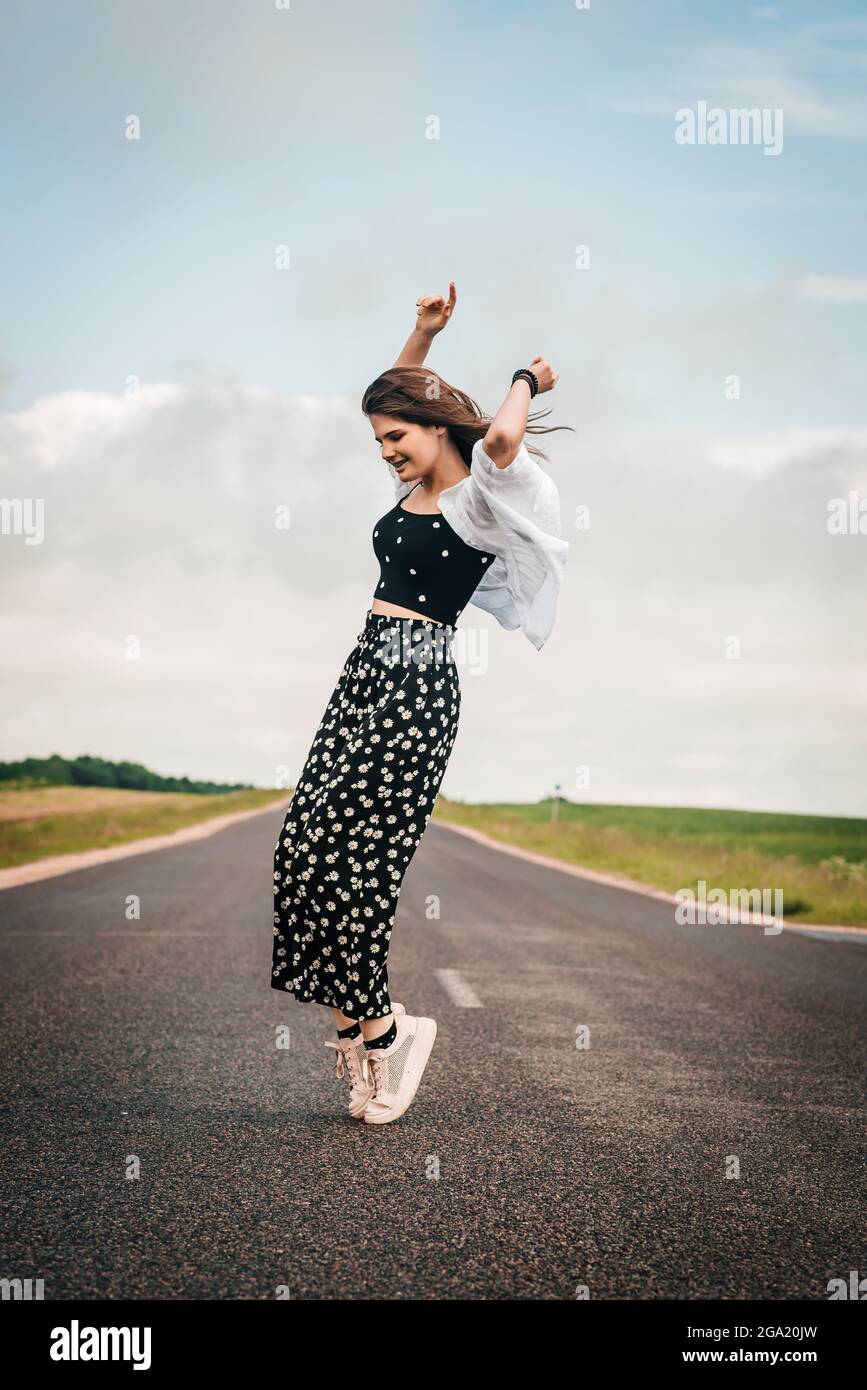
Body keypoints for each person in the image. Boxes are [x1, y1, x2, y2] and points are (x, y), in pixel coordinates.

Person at [271, 282, 572, 1124]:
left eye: (396, 440)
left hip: (414, 684)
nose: (384, 452)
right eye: (378, 442)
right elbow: (394, 394)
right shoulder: (407, 475)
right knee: (302, 857)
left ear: (440, 433)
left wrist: (524, 375)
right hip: (363, 671)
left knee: (358, 871)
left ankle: (386, 1036)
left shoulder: (480, 499)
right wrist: (422, 335)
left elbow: (504, 435)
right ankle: (373, 1034)